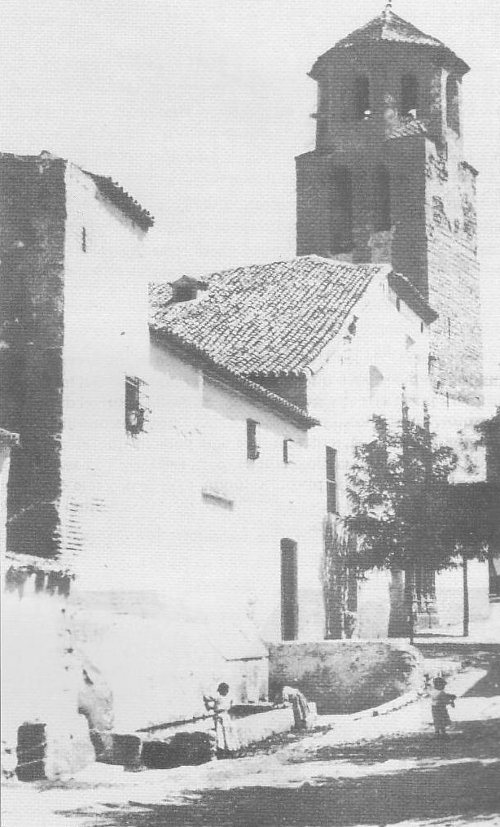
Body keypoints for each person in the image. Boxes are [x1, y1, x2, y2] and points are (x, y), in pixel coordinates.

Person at [203, 682, 239, 758]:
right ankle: (230, 749)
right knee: (227, 732)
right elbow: (233, 705)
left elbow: (206, 697)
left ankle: (223, 749)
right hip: (226, 716)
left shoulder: (218, 696)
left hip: (220, 716)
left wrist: (209, 705)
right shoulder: (229, 697)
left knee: (221, 733)